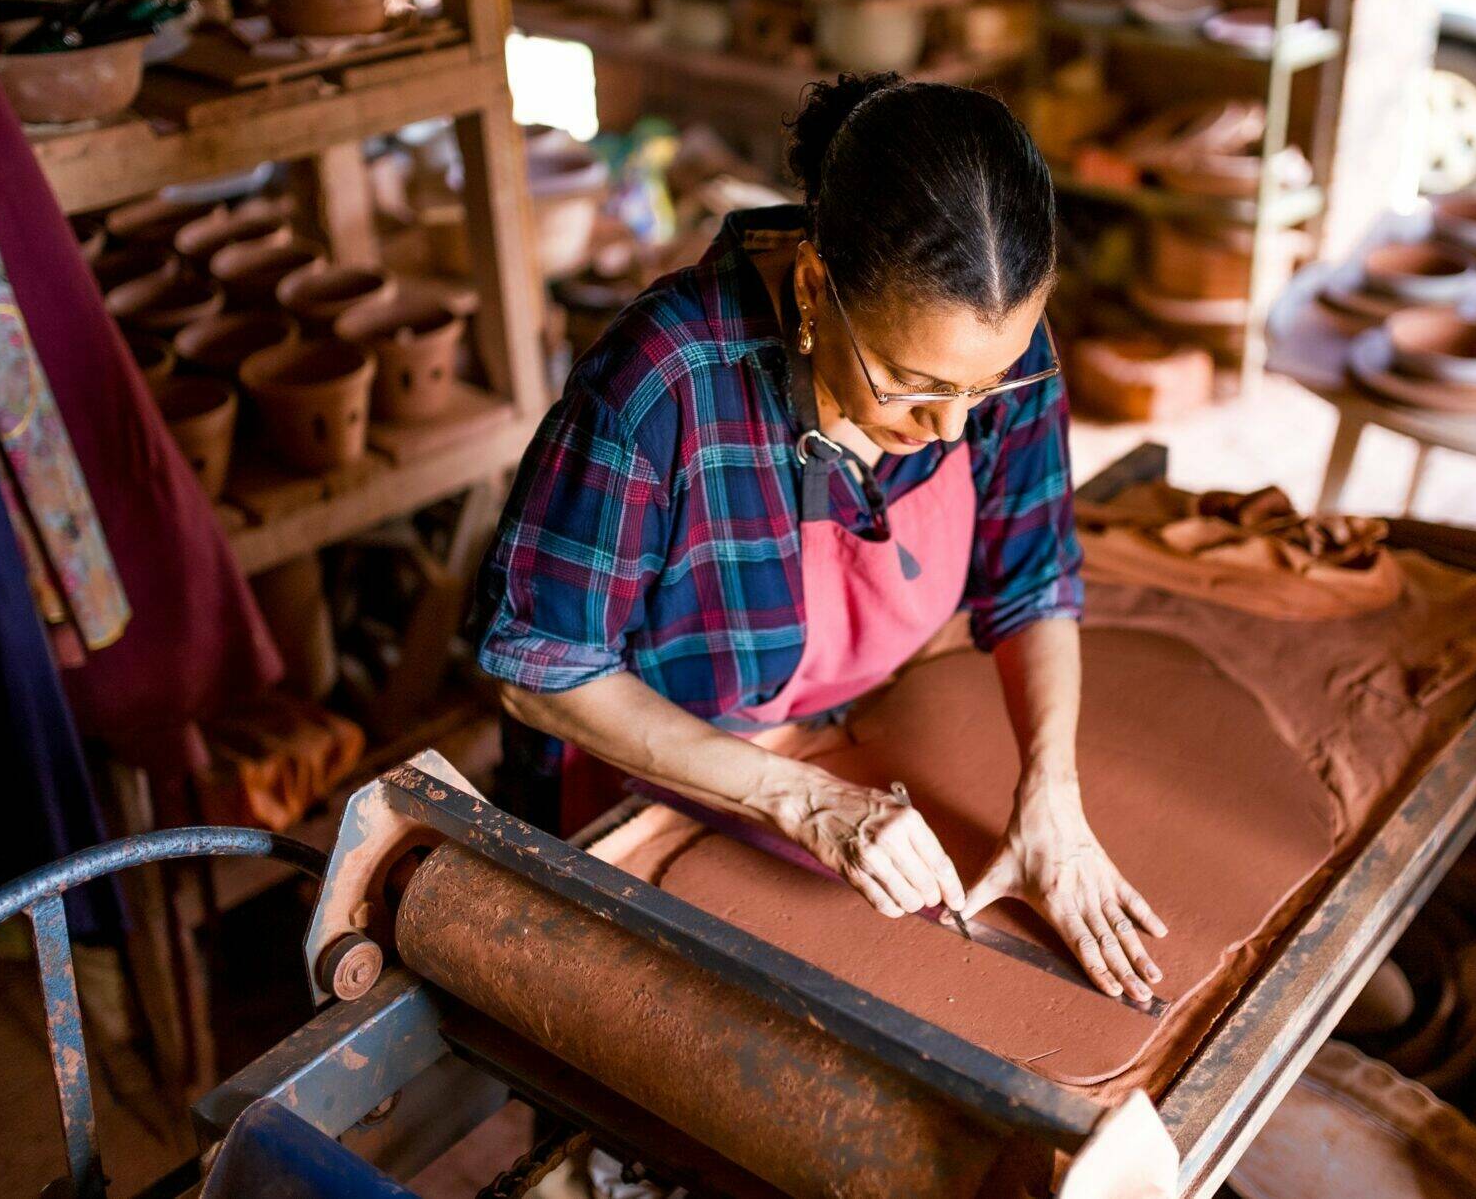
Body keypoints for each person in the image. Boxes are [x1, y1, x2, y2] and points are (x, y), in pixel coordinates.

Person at [470, 73, 1168, 1002]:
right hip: (656, 782)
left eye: (985, 389)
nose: (952, 428)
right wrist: (801, 800)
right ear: (810, 286)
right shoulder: (662, 382)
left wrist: (1052, 797)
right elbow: (537, 667)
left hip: (856, 735)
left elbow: (1034, 579)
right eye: (910, 386)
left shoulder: (993, 353)